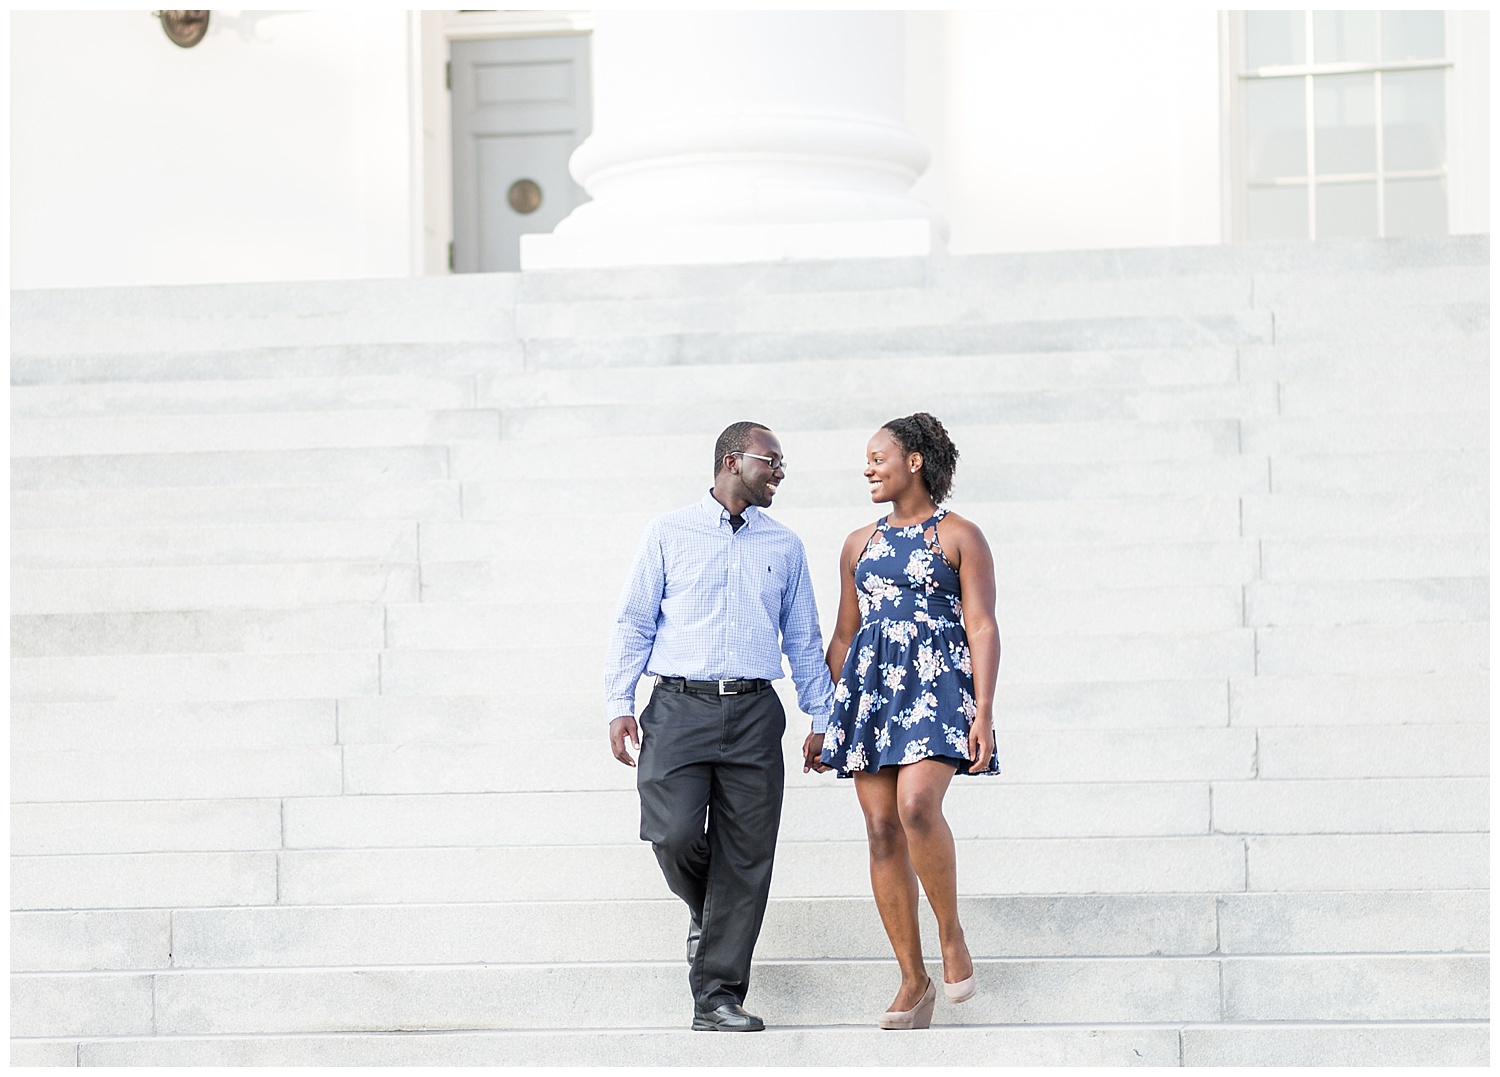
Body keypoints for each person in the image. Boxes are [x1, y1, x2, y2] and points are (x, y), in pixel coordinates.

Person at [605, 421, 835, 1032]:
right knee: (673, 833)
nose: (780, 472)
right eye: (772, 461)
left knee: (747, 856)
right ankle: (714, 915)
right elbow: (633, 622)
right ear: (733, 461)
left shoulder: (784, 546)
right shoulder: (668, 532)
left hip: (756, 713)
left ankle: (717, 998)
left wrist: (823, 716)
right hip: (678, 708)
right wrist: (618, 701)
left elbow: (804, 639)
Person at [807, 412, 1000, 1031]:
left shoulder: (961, 535)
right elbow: (843, 634)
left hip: (938, 685)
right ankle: (912, 983)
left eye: (878, 457)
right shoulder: (858, 542)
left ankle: (951, 936)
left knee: (918, 806)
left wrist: (986, 713)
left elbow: (983, 627)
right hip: (871, 695)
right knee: (880, 827)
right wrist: (827, 715)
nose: (868, 468)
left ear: (914, 460)